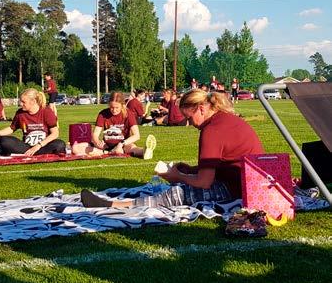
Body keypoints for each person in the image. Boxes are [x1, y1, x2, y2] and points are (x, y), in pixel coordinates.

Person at [81, 89, 264, 208]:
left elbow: (204, 182)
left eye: (189, 118)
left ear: (201, 109)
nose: (190, 124)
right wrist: (189, 170)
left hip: (240, 189)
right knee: (183, 181)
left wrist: (178, 176)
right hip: (250, 182)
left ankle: (117, 205)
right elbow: (223, 163)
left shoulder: (211, 130)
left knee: (178, 192)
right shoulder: (224, 120)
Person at [72, 91, 156, 159]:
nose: (114, 110)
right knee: (75, 148)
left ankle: (144, 151)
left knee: (132, 148)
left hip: (124, 145)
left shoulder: (128, 114)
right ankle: (110, 152)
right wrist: (97, 142)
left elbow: (137, 135)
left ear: (123, 105)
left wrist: (121, 144)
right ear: (109, 104)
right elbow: (95, 135)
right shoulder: (103, 114)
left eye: (117, 108)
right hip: (106, 147)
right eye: (112, 107)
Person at [0, 88, 65, 156]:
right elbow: (11, 128)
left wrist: (38, 146)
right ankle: (31, 153)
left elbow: (55, 133)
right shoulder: (20, 113)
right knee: (5, 141)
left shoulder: (46, 111)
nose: (21, 104)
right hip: (26, 147)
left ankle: (33, 153)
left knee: (59, 144)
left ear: (33, 101)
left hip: (43, 146)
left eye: (23, 102)